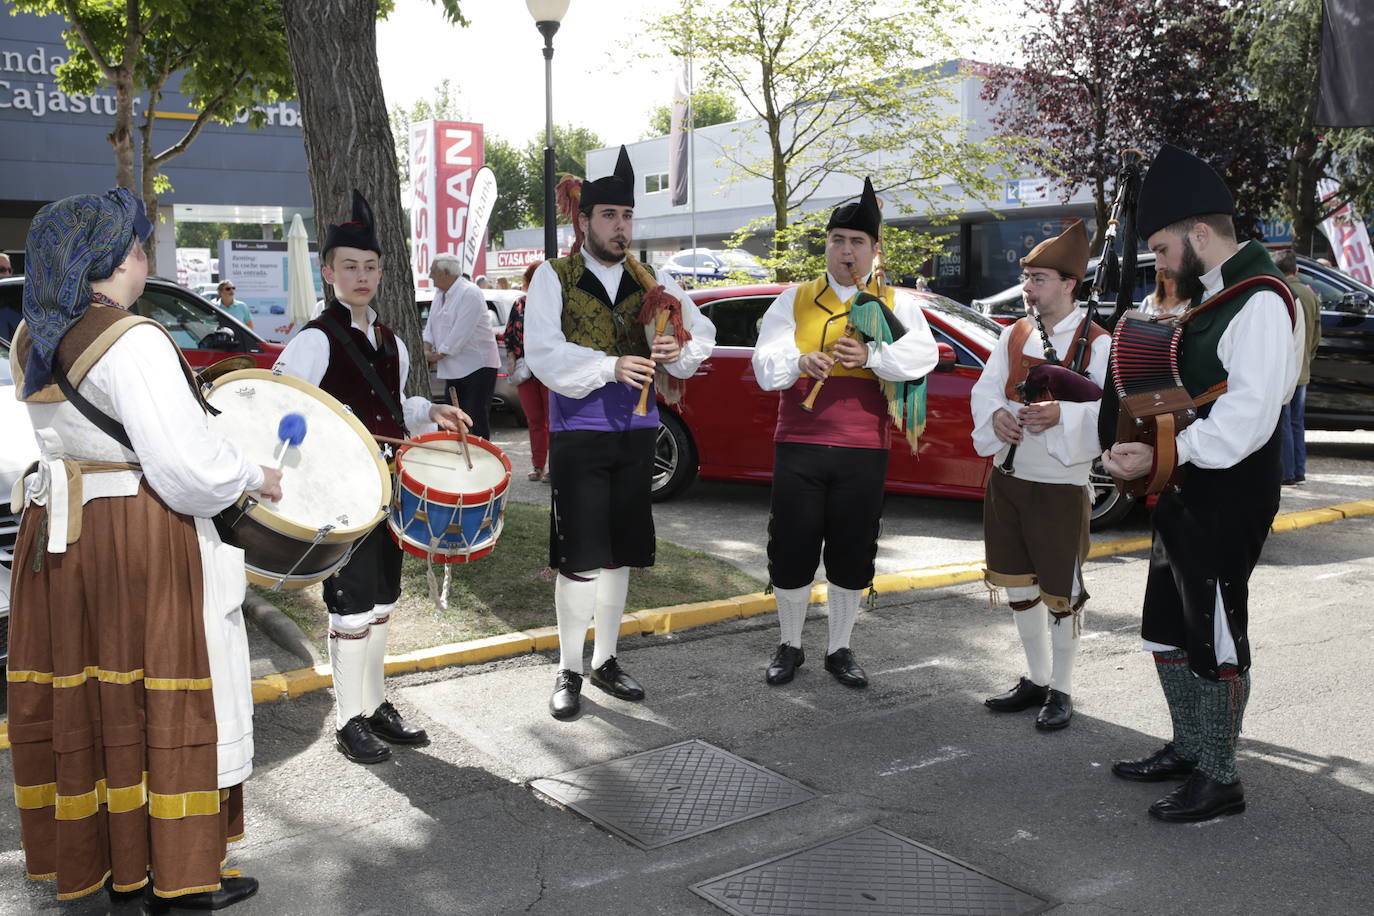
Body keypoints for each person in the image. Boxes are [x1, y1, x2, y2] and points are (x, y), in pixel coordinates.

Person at [7, 188, 281, 908]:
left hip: (67, 543)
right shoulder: (133, 338)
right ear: (120, 254)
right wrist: (255, 473)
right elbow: (186, 470)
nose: (143, 255)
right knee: (166, 702)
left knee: (99, 709)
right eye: (138, 244)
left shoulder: (33, 337)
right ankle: (177, 878)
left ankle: (112, 863)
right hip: (137, 538)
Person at [1103, 145, 1298, 822]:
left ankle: (1221, 778)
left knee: (1213, 629)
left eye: (1161, 248)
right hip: (1190, 485)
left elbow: (1245, 420)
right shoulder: (1213, 298)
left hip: (1229, 490)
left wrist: (1164, 457)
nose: (1159, 262)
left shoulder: (1262, 302)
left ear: (1199, 233)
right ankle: (1190, 747)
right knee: (1170, 623)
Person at [273, 190, 470, 764]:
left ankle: (377, 702)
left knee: (383, 600)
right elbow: (284, 408)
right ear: (328, 272)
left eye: (370, 267)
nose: (361, 276)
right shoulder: (312, 340)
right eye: (349, 267)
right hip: (342, 495)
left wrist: (428, 411)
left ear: (381, 273)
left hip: (388, 489)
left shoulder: (393, 341)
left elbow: (397, 407)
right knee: (350, 605)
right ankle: (347, 717)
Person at [525, 146, 716, 720]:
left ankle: (605, 659)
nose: (620, 226)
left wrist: (677, 347)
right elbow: (542, 354)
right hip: (579, 434)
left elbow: (698, 334)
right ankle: (568, 667)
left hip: (638, 432)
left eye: (627, 217)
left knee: (618, 558)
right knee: (580, 558)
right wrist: (610, 366)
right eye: (609, 215)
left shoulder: (651, 280)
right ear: (584, 220)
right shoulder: (552, 277)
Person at [751, 178, 938, 690]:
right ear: (827, 246)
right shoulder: (795, 299)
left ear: (874, 251)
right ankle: (789, 644)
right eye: (838, 240)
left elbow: (925, 356)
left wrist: (872, 355)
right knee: (790, 548)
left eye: (858, 242)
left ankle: (839, 648)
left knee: (852, 551)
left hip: (863, 450)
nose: (846, 250)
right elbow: (765, 364)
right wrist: (798, 359)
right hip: (799, 445)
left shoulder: (895, 303)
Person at [970, 220, 1109, 730]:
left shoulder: (1098, 344)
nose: (1028, 288)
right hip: (1008, 478)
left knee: (1062, 591)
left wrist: (1063, 417)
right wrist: (996, 417)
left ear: (1070, 284)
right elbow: (986, 390)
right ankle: (1036, 677)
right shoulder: (1014, 333)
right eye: (1027, 278)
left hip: (1059, 484)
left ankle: (1063, 689)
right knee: (1019, 586)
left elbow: (1112, 417)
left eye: (1039, 279)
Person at [421, 252, 500, 438]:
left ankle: (482, 462)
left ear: (446, 272)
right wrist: (426, 349)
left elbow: (460, 333)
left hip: (477, 367)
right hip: (453, 367)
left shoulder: (470, 292)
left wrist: (435, 356)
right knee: (455, 421)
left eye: (433, 271)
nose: (430, 275)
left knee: (474, 420)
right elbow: (431, 326)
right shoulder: (440, 293)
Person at [1274, 249, 1320, 485]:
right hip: (1303, 367)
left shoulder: (1282, 294)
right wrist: (1307, 359)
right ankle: (1300, 469)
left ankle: (1288, 473)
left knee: (1283, 423)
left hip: (1287, 370)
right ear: (1297, 270)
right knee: (1297, 424)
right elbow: (1316, 337)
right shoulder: (1310, 295)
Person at [504, 259, 552, 481]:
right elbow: (509, 334)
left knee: (553, 420)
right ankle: (538, 466)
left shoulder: (554, 303)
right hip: (526, 371)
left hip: (550, 370)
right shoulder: (520, 304)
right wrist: (511, 356)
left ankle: (553, 466)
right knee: (534, 420)